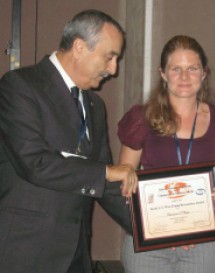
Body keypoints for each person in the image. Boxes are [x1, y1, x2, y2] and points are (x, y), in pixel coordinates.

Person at [0, 10, 137, 273]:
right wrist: (106, 171)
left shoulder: (95, 106)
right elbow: (34, 162)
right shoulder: (19, 86)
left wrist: (155, 230)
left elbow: (107, 186)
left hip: (75, 256)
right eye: (109, 57)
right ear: (79, 47)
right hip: (25, 251)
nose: (114, 69)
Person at [117, 35, 215, 273]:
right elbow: (124, 176)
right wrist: (166, 227)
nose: (184, 77)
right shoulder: (141, 118)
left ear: (204, 73)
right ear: (163, 73)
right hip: (148, 238)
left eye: (192, 68)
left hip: (202, 239)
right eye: (176, 69)